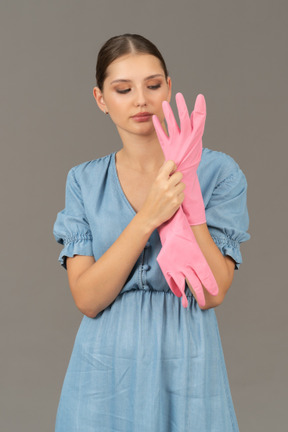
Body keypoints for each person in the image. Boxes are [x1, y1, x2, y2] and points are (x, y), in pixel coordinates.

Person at [53, 33, 250, 432]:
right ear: (101, 99)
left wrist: (190, 206)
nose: (141, 99)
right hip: (102, 369)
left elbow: (213, 293)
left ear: (169, 88)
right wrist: (149, 216)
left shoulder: (219, 172)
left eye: (153, 85)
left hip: (188, 361)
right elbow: (87, 298)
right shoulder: (84, 181)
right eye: (123, 89)